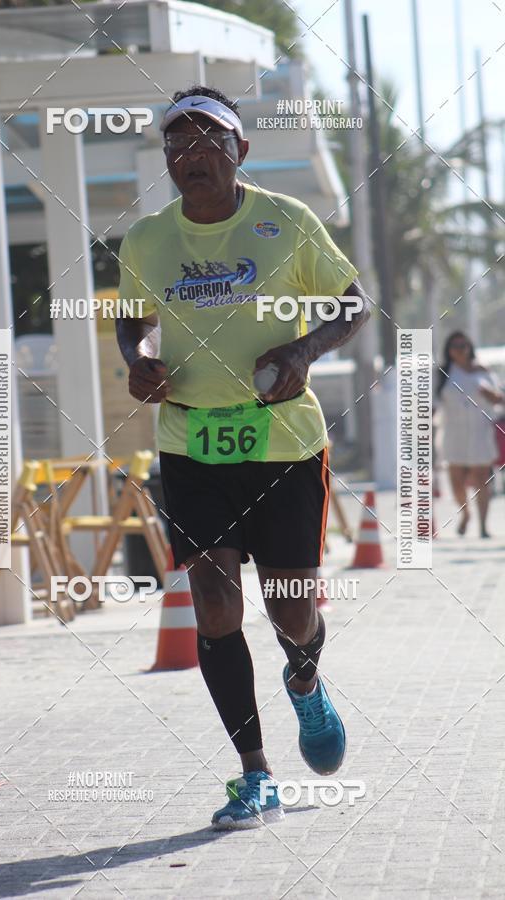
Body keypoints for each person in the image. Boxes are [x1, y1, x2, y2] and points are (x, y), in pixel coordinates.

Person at [115, 86, 370, 829]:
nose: (191, 156)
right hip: (190, 442)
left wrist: (303, 349)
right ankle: (254, 773)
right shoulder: (147, 241)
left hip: (284, 441)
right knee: (219, 605)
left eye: (208, 142)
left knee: (292, 612)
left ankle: (305, 678)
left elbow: (352, 303)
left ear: (240, 152)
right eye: (177, 145)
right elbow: (133, 323)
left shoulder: (285, 222)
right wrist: (138, 359)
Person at [435, 331, 503, 538]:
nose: (460, 350)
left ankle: (483, 525)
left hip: (480, 430)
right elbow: (432, 403)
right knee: (456, 480)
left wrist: (492, 396)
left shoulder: (483, 371)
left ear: (469, 347)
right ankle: (465, 513)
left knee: (482, 478)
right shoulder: (443, 373)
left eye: (463, 345)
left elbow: (499, 398)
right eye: (455, 346)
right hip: (453, 432)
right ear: (449, 350)